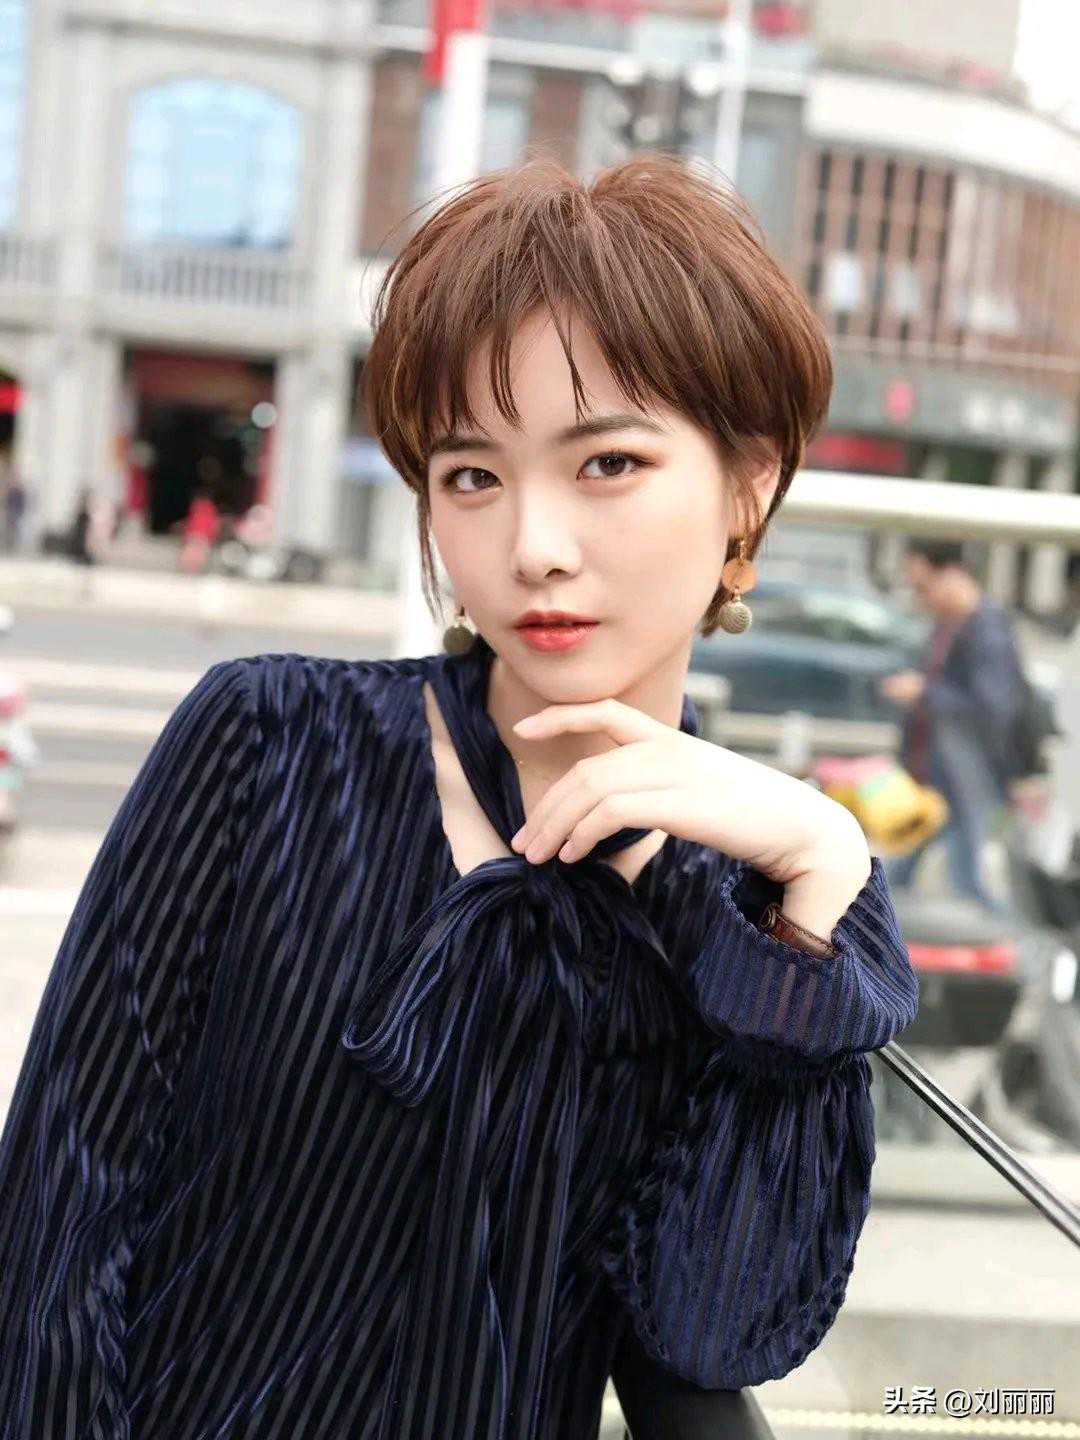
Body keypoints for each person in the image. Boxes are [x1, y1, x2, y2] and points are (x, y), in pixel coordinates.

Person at [0, 153, 918, 1439]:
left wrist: (818, 885)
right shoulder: (272, 743)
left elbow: (715, 1329)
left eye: (607, 463)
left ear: (748, 486)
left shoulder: (743, 909)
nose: (532, 547)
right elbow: (62, 1211)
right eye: (471, 475)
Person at [879, 538, 1026, 915]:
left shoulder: (985, 630)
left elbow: (992, 707)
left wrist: (924, 691)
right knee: (906, 874)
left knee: (968, 884)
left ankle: (1010, 940)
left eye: (923, 586)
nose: (921, 597)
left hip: (966, 778)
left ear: (952, 574)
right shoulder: (953, 625)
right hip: (941, 775)